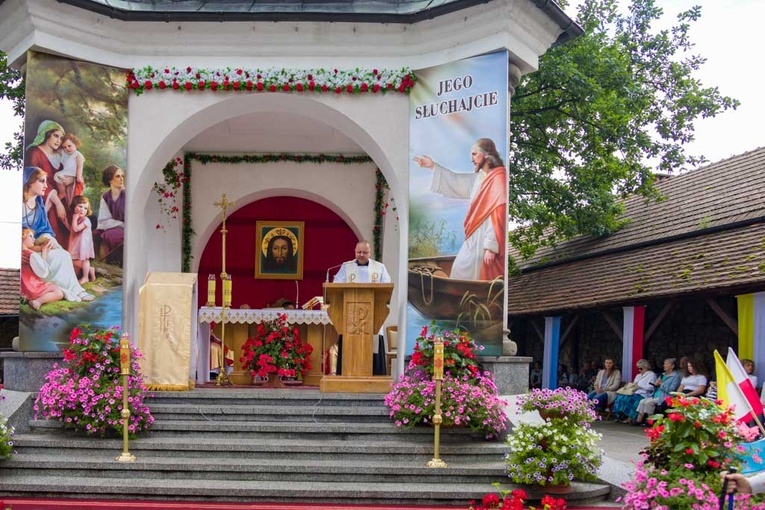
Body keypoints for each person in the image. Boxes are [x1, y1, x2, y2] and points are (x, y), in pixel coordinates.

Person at [413, 137, 506, 281]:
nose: (472, 158)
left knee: (462, 270)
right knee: (459, 270)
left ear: (487, 155)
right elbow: (455, 180)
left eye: (475, 154)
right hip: (474, 236)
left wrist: (491, 247)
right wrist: (433, 166)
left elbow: (498, 213)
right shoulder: (479, 178)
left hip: (486, 239)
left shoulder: (499, 178)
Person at [21, 167, 94, 302]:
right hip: (24, 247)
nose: (46, 186)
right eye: (42, 181)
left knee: (63, 255)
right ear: (30, 182)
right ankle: (71, 290)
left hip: (36, 242)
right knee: (59, 257)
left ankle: (77, 290)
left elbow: (44, 227)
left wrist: (49, 239)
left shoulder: (38, 202)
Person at [332, 240, 391, 375]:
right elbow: (337, 285)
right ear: (355, 252)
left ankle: (375, 375)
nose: (361, 255)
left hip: (373, 314)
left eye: (365, 252)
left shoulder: (380, 267)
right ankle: (347, 372)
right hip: (350, 314)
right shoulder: (347, 267)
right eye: (359, 252)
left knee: (373, 342)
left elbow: (386, 287)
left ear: (370, 253)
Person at [25, 119, 70, 246]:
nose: (58, 141)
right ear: (46, 134)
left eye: (61, 138)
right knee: (53, 218)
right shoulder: (35, 153)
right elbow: (34, 180)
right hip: (41, 198)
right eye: (56, 136)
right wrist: (57, 202)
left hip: (59, 197)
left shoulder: (60, 156)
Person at [20, 228, 65, 310]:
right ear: (22, 237)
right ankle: (38, 301)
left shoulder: (18, 255)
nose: (34, 239)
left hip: (22, 288)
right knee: (59, 292)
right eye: (30, 236)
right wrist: (44, 252)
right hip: (31, 286)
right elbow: (43, 272)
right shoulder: (32, 255)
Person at [633, 358, 682, 426]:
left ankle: (650, 421)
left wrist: (661, 384)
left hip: (665, 397)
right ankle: (639, 420)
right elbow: (656, 385)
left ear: (672, 366)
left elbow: (671, 390)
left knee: (648, 402)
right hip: (656, 394)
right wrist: (655, 384)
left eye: (666, 364)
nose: (664, 365)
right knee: (642, 401)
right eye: (664, 364)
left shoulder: (675, 377)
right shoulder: (663, 374)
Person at [95, 165, 125, 263]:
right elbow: (103, 220)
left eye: (122, 176)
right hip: (117, 226)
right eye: (118, 176)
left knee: (110, 235)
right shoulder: (105, 196)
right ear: (110, 180)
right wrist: (120, 224)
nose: (121, 179)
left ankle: (115, 262)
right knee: (95, 234)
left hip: (128, 229)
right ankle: (100, 264)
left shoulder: (127, 194)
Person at [612, 359, 657, 423]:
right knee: (620, 397)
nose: (639, 370)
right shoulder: (638, 375)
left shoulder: (651, 375)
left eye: (641, 368)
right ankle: (619, 415)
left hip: (643, 394)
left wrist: (640, 386)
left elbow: (651, 387)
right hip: (634, 392)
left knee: (631, 400)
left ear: (646, 367)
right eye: (638, 368)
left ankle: (631, 417)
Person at [68, 196, 96, 284]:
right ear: (74, 206)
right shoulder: (78, 219)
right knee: (73, 259)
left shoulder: (86, 220)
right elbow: (72, 229)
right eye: (80, 206)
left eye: (85, 208)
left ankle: (85, 277)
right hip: (76, 243)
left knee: (84, 260)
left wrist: (74, 219)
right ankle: (82, 273)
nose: (82, 210)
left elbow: (76, 229)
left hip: (84, 244)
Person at [54, 133, 85, 206]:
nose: (67, 148)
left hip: (73, 173)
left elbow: (80, 167)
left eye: (69, 146)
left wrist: (78, 177)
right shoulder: (64, 153)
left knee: (57, 175)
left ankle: (62, 193)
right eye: (64, 147)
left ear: (76, 145)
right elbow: (56, 149)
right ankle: (62, 192)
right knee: (58, 176)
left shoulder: (78, 155)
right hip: (66, 172)